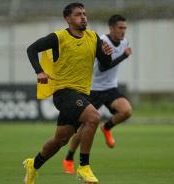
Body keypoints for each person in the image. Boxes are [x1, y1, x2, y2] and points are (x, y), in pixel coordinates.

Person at [23, 2, 113, 184]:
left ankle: (34, 164)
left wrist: (107, 55)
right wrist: (38, 71)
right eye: (78, 14)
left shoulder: (93, 37)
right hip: (64, 93)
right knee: (94, 117)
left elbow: (105, 66)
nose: (83, 17)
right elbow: (31, 49)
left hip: (82, 95)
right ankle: (83, 166)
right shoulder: (59, 37)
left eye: (84, 14)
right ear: (68, 19)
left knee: (60, 140)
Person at [62, 14, 132, 174]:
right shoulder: (101, 41)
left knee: (126, 111)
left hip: (110, 88)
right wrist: (124, 56)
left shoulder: (124, 42)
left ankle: (107, 127)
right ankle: (68, 158)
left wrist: (123, 54)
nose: (123, 31)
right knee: (81, 130)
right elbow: (103, 68)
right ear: (111, 28)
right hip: (93, 89)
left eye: (125, 28)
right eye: (120, 28)